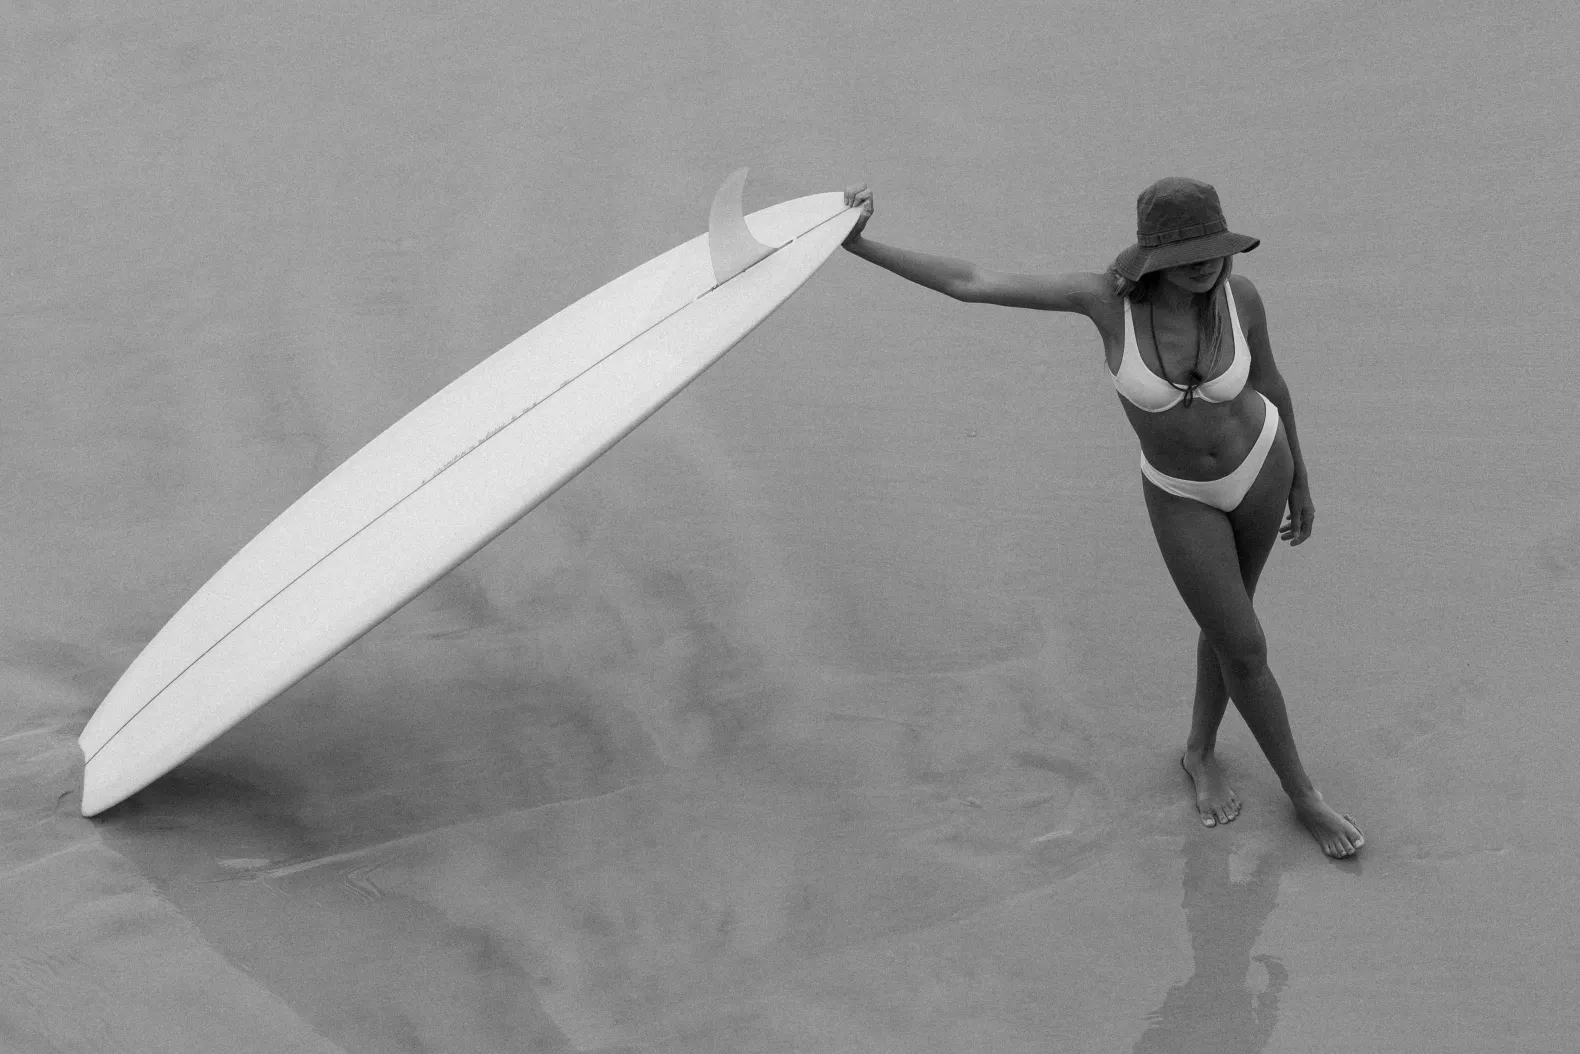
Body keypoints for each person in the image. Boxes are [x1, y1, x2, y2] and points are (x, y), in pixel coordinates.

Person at [840, 177, 1363, 858]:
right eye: (1190, 252)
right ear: (1153, 257)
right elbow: (969, 281)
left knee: (1231, 628)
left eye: (1216, 246)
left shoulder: (1242, 297)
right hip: (1184, 493)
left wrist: (1303, 483)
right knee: (1243, 641)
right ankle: (1305, 796)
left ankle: (1200, 752)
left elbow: (1270, 383)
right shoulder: (1105, 302)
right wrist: (856, 245)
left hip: (1264, 465)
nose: (1208, 263)